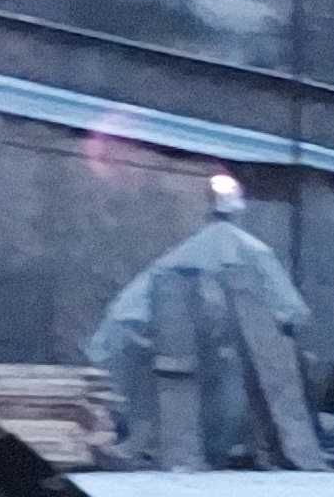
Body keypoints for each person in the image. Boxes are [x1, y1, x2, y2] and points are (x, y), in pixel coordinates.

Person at [87, 175, 312, 465]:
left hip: (149, 344)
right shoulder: (248, 252)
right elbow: (289, 310)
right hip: (176, 353)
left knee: (186, 400)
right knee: (204, 397)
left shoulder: (186, 256)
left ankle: (166, 447)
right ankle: (181, 449)